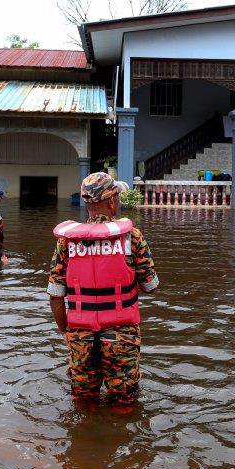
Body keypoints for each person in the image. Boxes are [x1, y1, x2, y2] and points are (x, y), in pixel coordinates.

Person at [47, 172, 159, 406]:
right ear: (111, 202)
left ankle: (84, 438)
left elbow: (55, 295)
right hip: (122, 334)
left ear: (87, 203)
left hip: (80, 334)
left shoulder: (67, 242)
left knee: (83, 400)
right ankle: (118, 436)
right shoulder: (132, 238)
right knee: (124, 401)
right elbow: (151, 286)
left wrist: (66, 332)